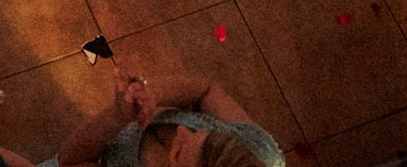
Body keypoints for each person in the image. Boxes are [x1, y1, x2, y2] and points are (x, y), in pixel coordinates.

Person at [54, 63, 284, 167]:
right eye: (203, 132)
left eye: (180, 152)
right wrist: (153, 93)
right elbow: (207, 90)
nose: (182, 130)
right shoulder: (259, 150)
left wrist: (115, 118)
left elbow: (69, 160)